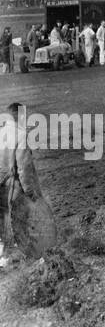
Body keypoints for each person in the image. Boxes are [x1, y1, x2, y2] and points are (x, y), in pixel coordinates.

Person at [1, 102, 43, 260]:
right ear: (19, 116)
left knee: (2, 219)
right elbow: (24, 168)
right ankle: (26, 253)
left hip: (2, 183)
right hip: (15, 185)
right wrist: (31, 192)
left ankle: (3, 257)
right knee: (21, 218)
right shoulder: (20, 135)